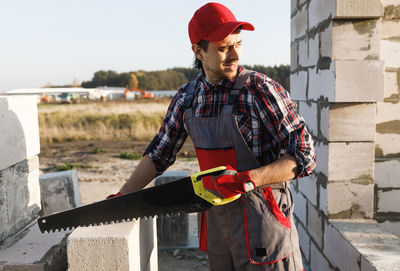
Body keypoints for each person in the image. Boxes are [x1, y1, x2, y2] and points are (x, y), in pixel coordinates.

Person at [116, 2, 316, 270]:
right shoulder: (187, 99)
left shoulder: (260, 90)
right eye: (223, 48)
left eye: (238, 44)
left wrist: (247, 179)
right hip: (218, 229)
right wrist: (122, 197)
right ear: (198, 51)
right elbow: (159, 155)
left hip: (265, 229)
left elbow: (305, 155)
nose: (235, 55)